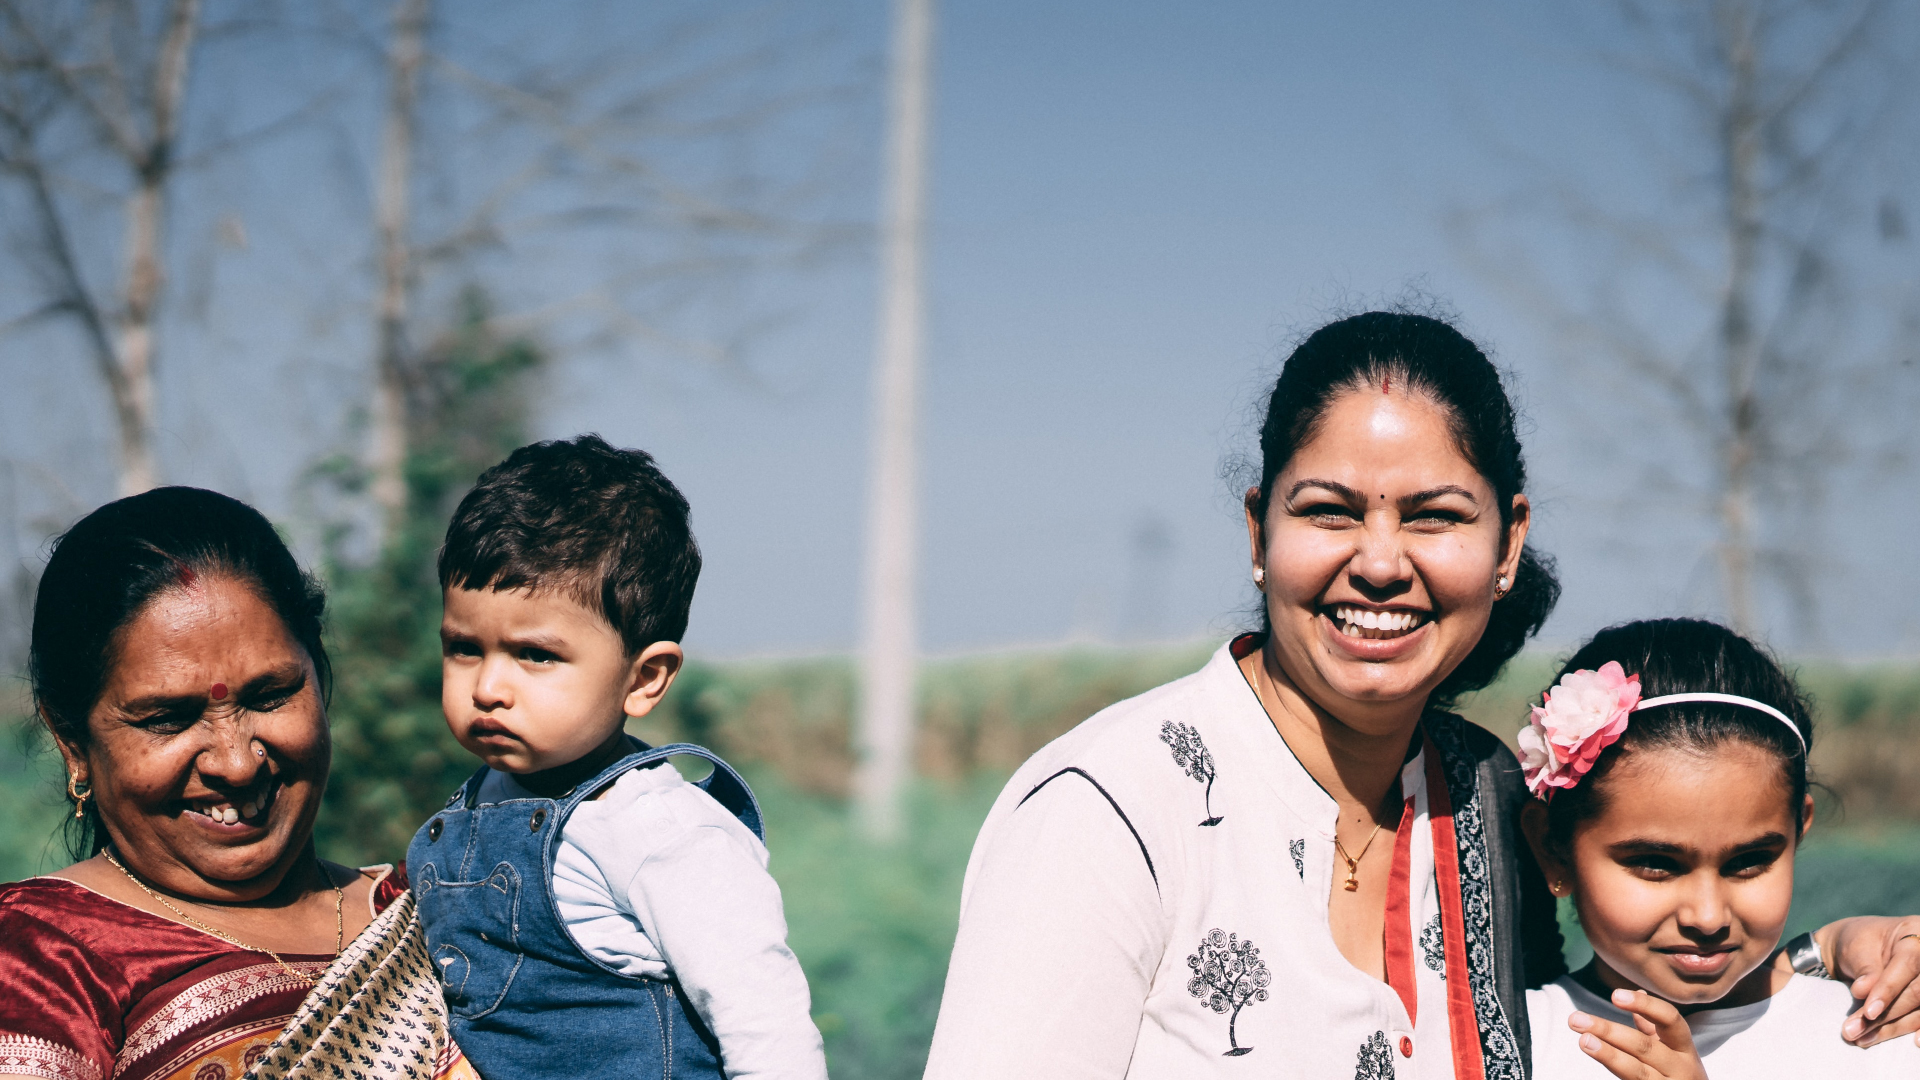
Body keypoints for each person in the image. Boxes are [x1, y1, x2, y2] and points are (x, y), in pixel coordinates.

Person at [922, 311, 1920, 1080]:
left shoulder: (1485, 799)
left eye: (1436, 517)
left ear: (1507, 546)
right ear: (1259, 532)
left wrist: (1834, 956)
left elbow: (1635, 991)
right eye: (1329, 513)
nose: (1382, 563)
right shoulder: (1113, 811)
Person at [0, 488, 469, 1080]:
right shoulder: (41, 958)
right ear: (72, 742)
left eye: (271, 695)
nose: (237, 763)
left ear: (319, 677)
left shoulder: (439, 908)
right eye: (168, 718)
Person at [406, 435, 825, 1080]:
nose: (487, 688)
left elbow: (766, 1027)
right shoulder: (469, 811)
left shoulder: (658, 829)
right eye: (464, 648)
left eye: (535, 655)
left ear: (645, 678)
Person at [1519, 619, 1919, 1077]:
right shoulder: (1502, 1046)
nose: (1708, 918)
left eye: (1749, 862)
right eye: (1655, 864)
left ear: (1798, 831)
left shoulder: (1885, 1030)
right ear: (1553, 847)